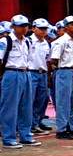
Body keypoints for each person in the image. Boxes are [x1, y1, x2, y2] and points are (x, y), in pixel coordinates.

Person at [1, 14, 41, 148]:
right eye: (20, 26)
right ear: (13, 27)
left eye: (26, 26)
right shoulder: (6, 41)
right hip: (11, 73)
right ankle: (8, 138)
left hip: (26, 72)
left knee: (26, 107)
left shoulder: (27, 41)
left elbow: (28, 59)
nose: (24, 28)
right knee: (9, 107)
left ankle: (26, 135)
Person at [49, 15, 73, 140]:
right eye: (72, 24)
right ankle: (61, 129)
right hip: (64, 71)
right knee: (63, 101)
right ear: (65, 27)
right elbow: (53, 60)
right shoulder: (60, 41)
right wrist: (61, 70)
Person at [28, 19, 52, 134]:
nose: (43, 31)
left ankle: (37, 121)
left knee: (43, 99)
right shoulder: (28, 41)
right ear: (33, 28)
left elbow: (47, 61)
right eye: (41, 28)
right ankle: (30, 124)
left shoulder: (46, 43)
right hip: (31, 72)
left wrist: (48, 77)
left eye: (45, 29)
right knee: (30, 100)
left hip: (42, 73)